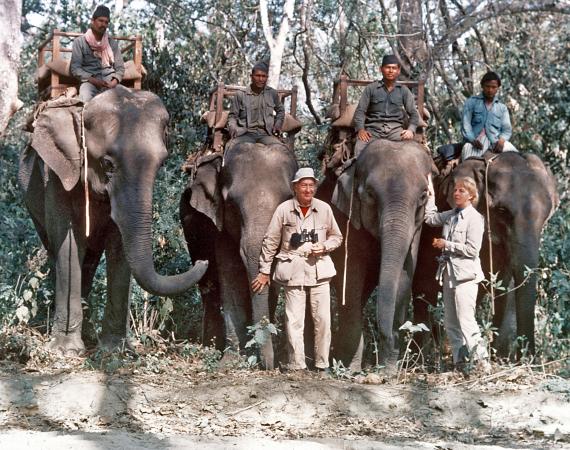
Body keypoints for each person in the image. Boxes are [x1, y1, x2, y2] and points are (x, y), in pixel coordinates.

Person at [251, 168, 343, 372]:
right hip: (293, 271)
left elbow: (337, 237)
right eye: (304, 185)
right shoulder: (283, 210)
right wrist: (264, 270)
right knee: (294, 321)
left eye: (311, 185)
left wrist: (325, 246)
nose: (308, 190)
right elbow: (271, 240)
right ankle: (297, 365)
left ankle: (322, 364)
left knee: (323, 320)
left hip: (319, 271)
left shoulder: (324, 209)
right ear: (295, 187)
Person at [424, 174, 489, 371]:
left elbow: (472, 250)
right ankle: (459, 363)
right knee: (451, 322)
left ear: (471, 195)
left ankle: (482, 364)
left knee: (466, 320)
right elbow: (430, 218)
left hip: (466, 278)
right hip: (449, 276)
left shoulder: (475, 219)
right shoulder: (451, 215)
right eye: (455, 190)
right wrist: (431, 195)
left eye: (461, 190)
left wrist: (447, 244)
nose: (456, 193)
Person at [353, 54, 420, 156]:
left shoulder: (404, 91)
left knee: (414, 153)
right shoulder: (371, 88)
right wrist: (360, 129)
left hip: (396, 132)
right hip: (373, 131)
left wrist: (411, 130)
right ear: (381, 69)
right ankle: (352, 170)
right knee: (359, 148)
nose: (391, 71)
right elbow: (360, 111)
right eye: (388, 67)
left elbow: (414, 114)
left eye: (394, 68)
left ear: (398, 71)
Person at [70, 5, 125, 103]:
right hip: (90, 82)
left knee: (124, 100)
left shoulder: (112, 43)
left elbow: (120, 68)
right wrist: (94, 81)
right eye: (100, 20)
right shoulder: (80, 42)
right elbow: (75, 68)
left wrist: (113, 82)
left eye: (106, 22)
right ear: (92, 21)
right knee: (85, 98)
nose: (103, 24)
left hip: (110, 82)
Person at [461, 71, 518, 160]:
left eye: (493, 87)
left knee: (517, 159)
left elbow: (507, 130)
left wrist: (502, 141)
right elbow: (466, 126)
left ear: (498, 88)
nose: (490, 90)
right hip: (475, 143)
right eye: (487, 86)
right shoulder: (471, 102)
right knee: (468, 166)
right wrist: (472, 140)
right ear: (482, 86)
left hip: (496, 142)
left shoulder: (502, 108)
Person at [227, 61, 285, 148]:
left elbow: (280, 110)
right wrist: (232, 127)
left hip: (266, 134)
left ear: (267, 78)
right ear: (251, 77)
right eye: (257, 76)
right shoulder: (240, 94)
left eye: (263, 76)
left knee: (281, 150)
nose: (260, 79)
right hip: (245, 133)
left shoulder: (272, 93)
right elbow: (232, 116)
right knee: (231, 147)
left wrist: (277, 124)